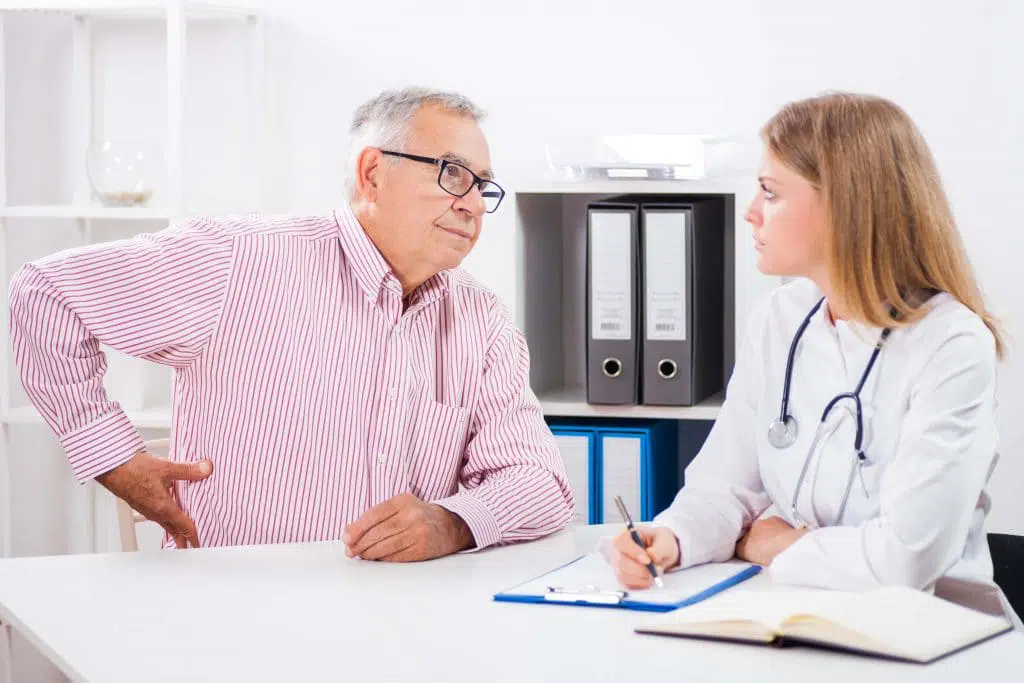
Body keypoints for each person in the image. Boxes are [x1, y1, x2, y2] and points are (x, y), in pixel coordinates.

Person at [9, 87, 574, 560]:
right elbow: (45, 293)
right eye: (454, 175)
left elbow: (540, 484)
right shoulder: (237, 259)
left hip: (405, 631)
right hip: (236, 627)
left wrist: (452, 523)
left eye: (484, 186)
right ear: (373, 172)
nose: (474, 205)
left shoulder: (482, 320)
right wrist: (112, 457)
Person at [609, 92, 1004, 592]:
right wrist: (672, 538)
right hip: (796, 609)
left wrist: (775, 545)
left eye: (771, 193)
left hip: (930, 634)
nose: (751, 212)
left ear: (846, 206)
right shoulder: (780, 318)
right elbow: (723, 486)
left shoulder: (952, 345)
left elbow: (906, 561)